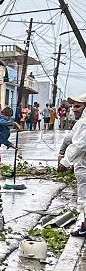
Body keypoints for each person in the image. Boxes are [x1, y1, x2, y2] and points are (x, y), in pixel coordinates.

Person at [56, 94, 86, 235]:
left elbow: (79, 146)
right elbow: (69, 139)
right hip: (81, 166)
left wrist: (65, 161)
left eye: (78, 106)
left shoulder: (85, 123)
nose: (74, 109)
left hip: (84, 167)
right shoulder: (81, 122)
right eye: (73, 106)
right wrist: (62, 155)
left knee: (84, 198)